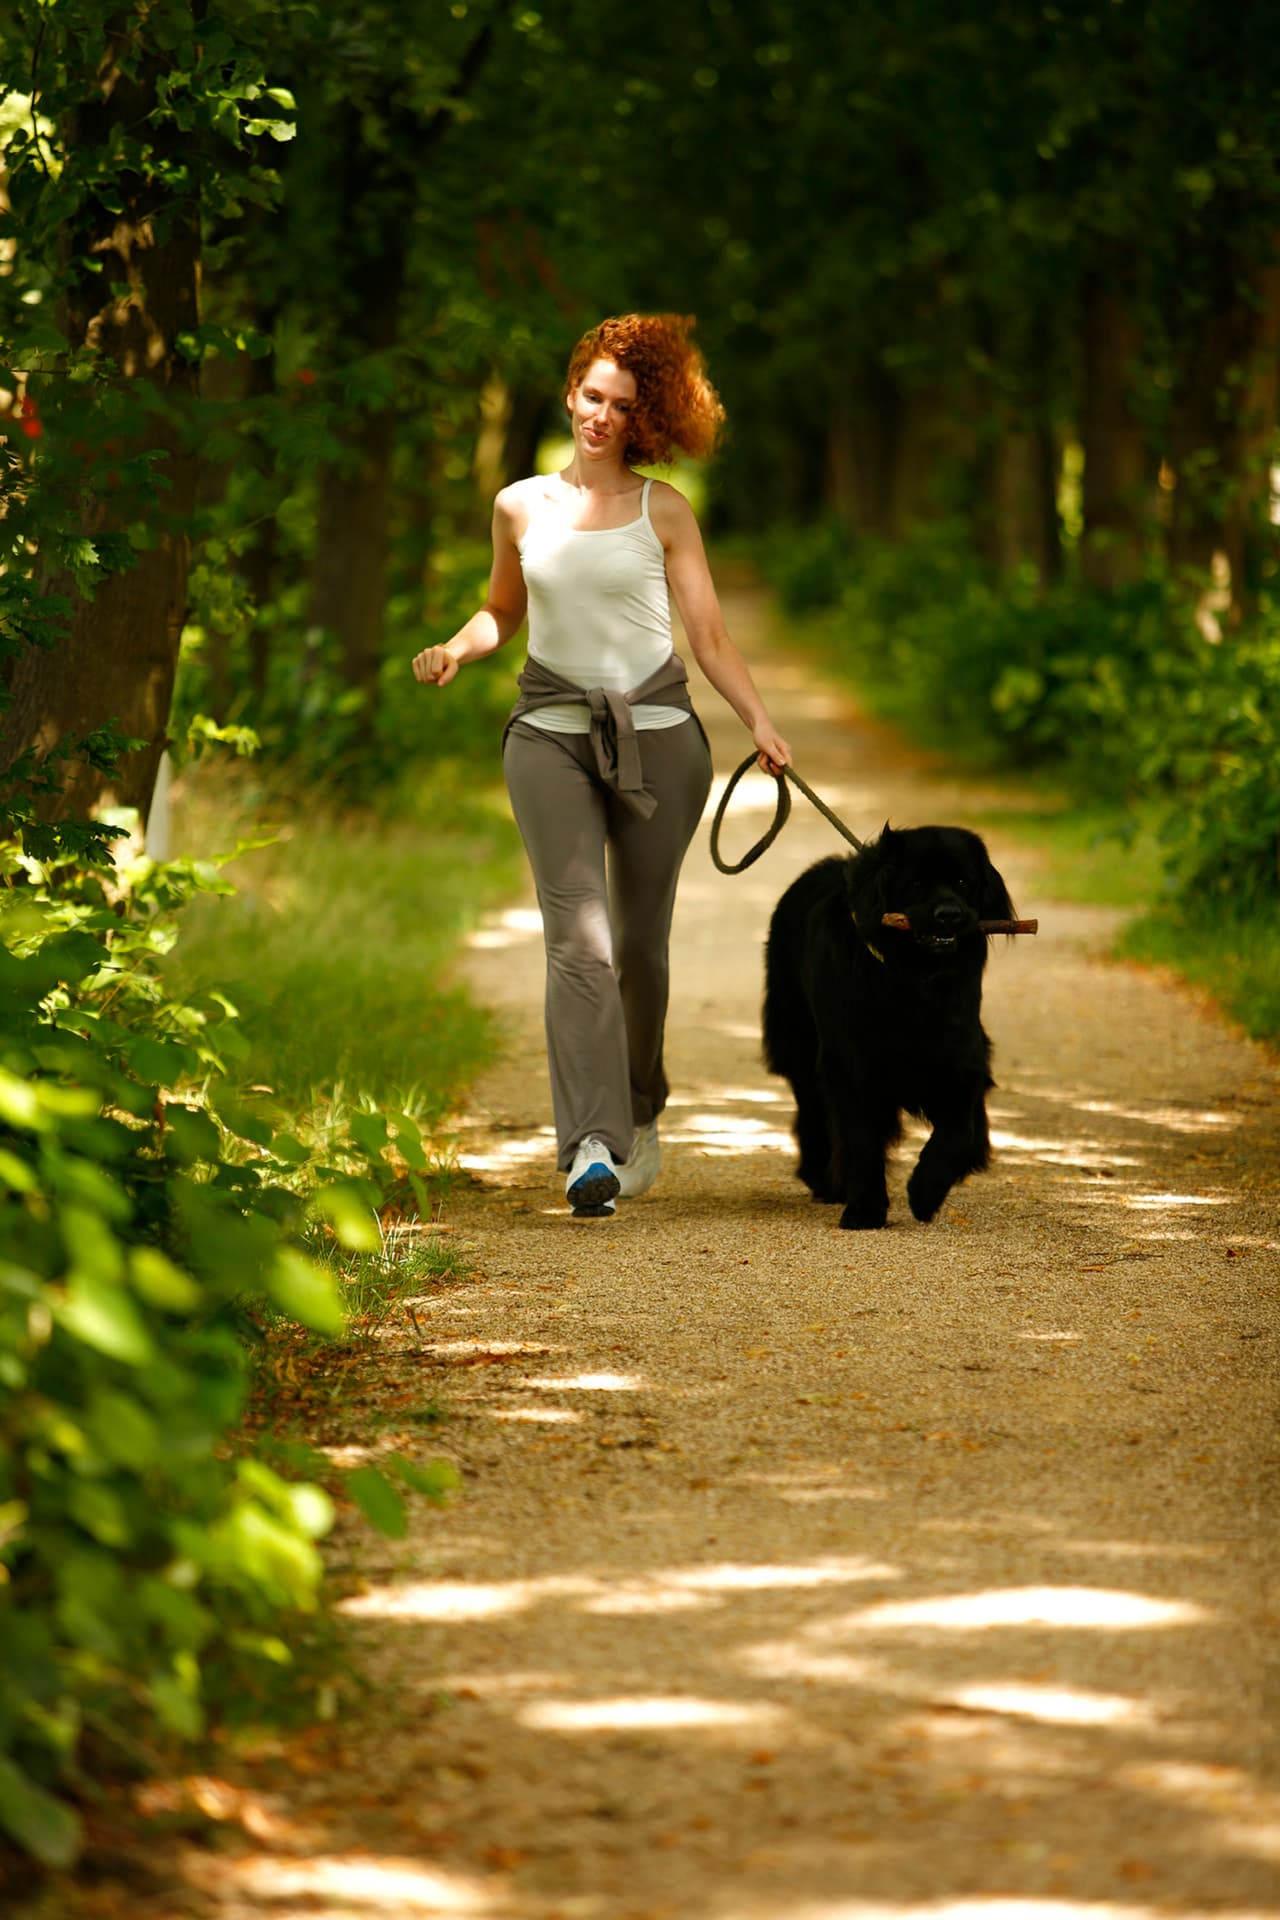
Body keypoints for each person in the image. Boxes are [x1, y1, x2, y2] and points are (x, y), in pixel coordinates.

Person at [413, 313, 791, 1217]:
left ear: (641, 417)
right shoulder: (518, 506)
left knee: (639, 948)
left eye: (622, 406)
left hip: (660, 737)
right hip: (547, 733)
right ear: (570, 391)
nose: (601, 416)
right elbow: (503, 610)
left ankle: (639, 1104)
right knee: (577, 937)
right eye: (592, 396)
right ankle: (591, 1144)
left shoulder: (665, 512)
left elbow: (708, 637)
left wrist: (759, 721)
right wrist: (457, 648)